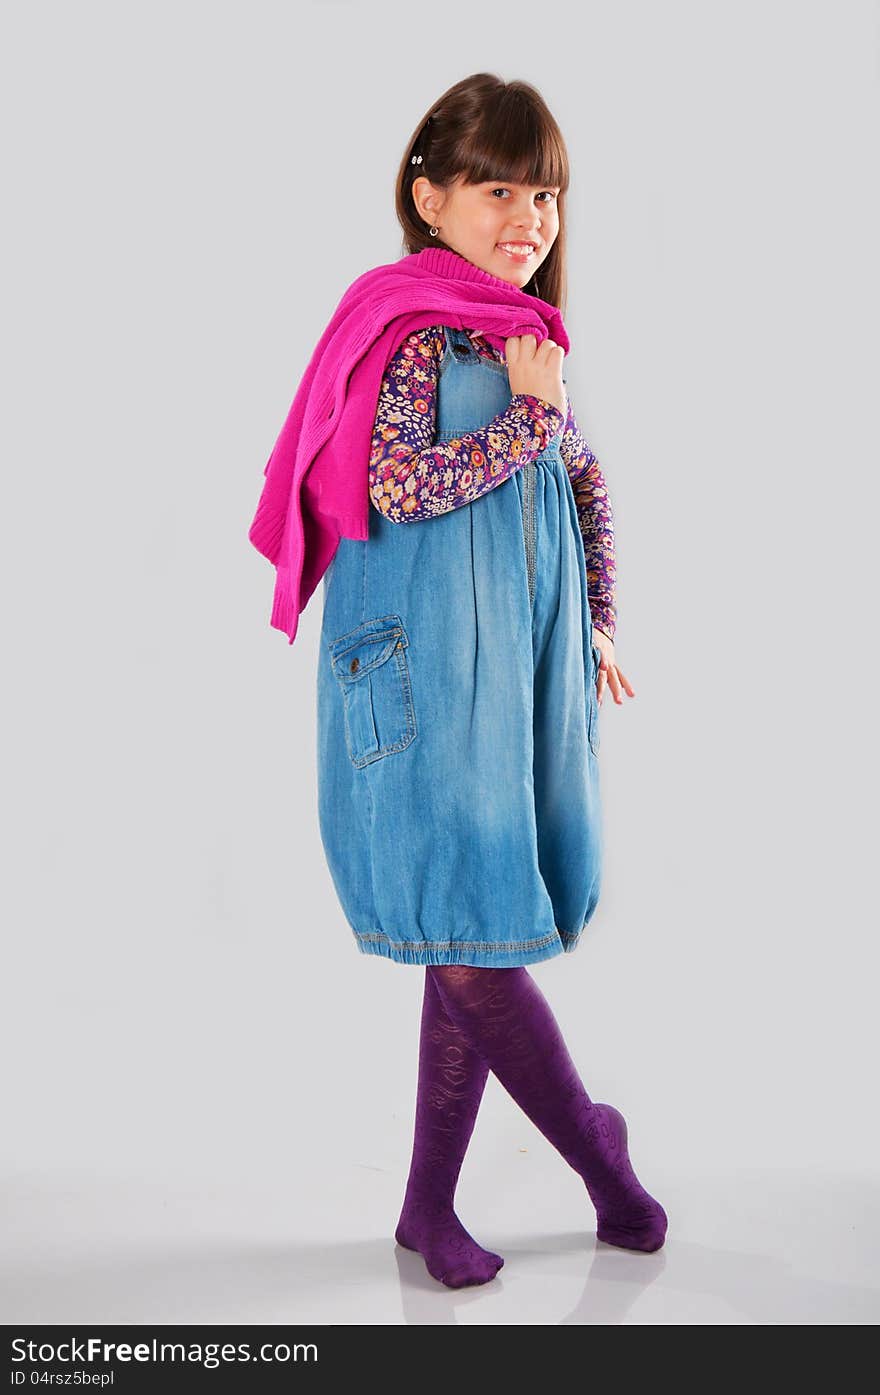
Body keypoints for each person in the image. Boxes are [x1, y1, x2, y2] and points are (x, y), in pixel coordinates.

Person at [286, 72, 667, 1288]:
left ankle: (423, 1212)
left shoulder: (524, 334)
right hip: (423, 679)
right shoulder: (409, 332)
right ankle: (600, 1161)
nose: (527, 215)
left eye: (543, 191)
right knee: (469, 943)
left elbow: (583, 488)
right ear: (429, 196)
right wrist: (522, 413)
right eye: (498, 187)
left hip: (518, 672)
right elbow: (401, 484)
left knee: (471, 926)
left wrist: (598, 619)